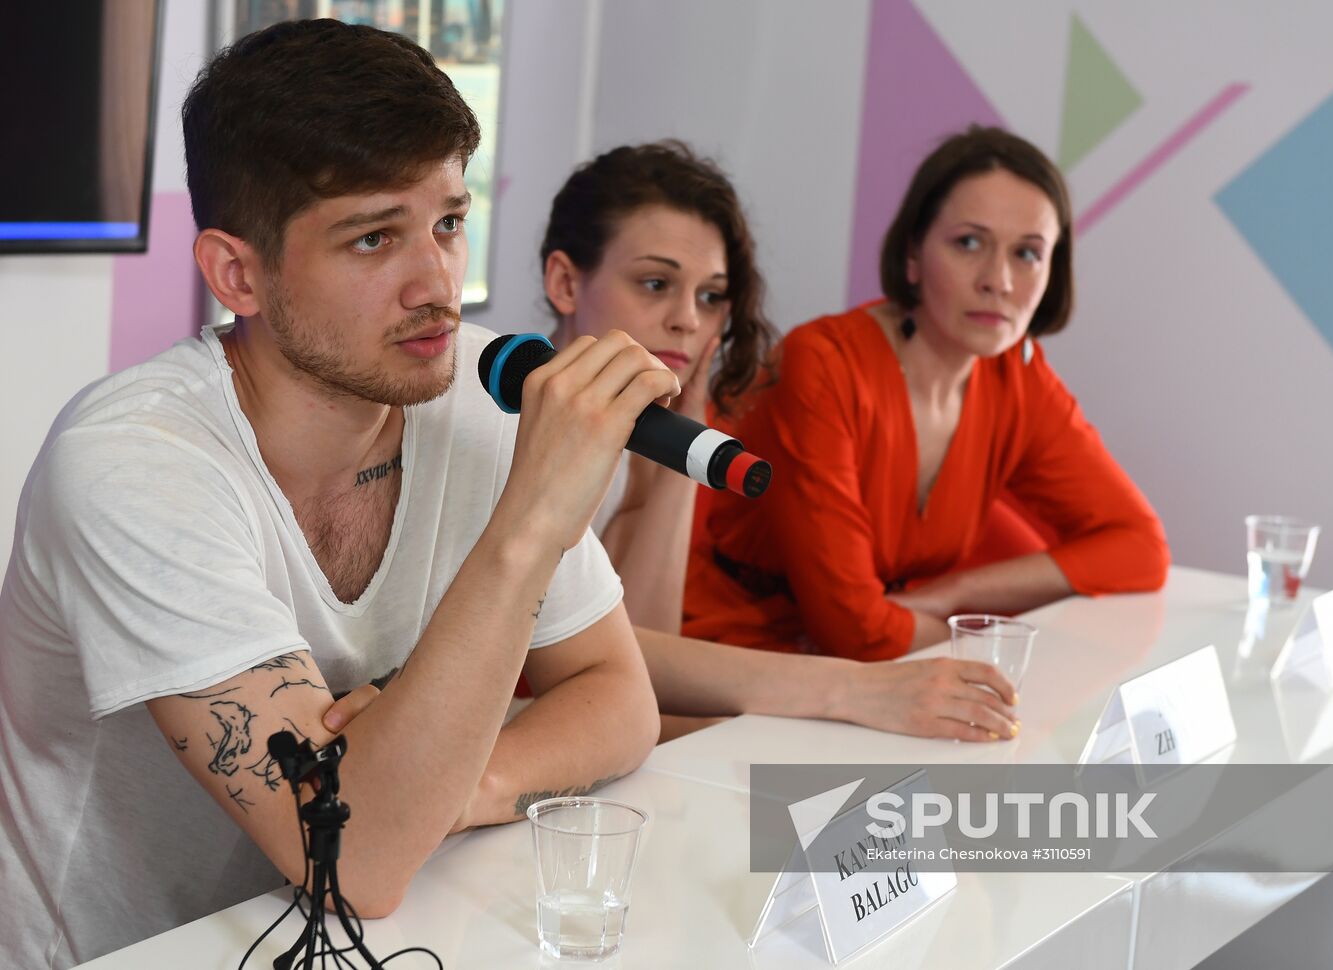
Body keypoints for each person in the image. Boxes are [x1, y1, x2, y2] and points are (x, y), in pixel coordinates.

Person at [0, 21, 665, 968]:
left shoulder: (470, 387)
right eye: (373, 238)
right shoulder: (131, 461)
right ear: (239, 272)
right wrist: (532, 520)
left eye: (447, 222)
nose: (438, 283)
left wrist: (453, 790)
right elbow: (350, 860)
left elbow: (617, 700)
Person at [536, 142, 1021, 741]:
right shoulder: (511, 431)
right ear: (564, 282)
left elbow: (632, 662)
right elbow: (602, 673)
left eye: (711, 297)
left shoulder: (639, 431)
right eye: (656, 283)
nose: (689, 319)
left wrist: (685, 444)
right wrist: (847, 690)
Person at [684, 126, 1170, 662]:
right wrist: (989, 648)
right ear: (913, 253)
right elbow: (852, 630)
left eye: (1028, 254)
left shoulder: (1019, 376)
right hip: (737, 647)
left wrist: (951, 596)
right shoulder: (824, 363)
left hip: (893, 654)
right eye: (969, 243)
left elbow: (1140, 548)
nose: (999, 280)